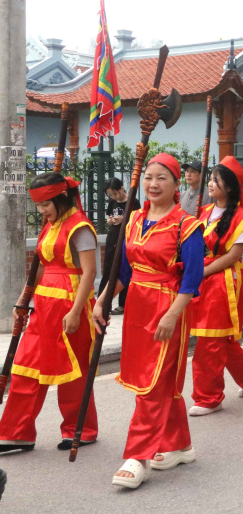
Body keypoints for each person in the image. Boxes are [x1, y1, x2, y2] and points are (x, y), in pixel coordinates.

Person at [92, 153, 204, 489]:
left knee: (152, 383)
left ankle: (137, 456)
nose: (153, 184)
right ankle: (180, 445)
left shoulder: (187, 225)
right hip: (137, 307)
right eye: (149, 177)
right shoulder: (134, 219)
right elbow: (124, 271)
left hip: (167, 307)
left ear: (176, 184)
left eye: (162, 178)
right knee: (154, 378)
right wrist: (102, 300)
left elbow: (192, 279)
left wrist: (173, 314)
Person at [0, 173, 98, 453]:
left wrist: (76, 311)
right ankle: (15, 433)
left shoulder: (80, 227)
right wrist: (24, 299)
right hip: (43, 307)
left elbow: (90, 272)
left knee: (73, 371)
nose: (41, 211)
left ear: (61, 198)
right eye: (38, 205)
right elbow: (41, 266)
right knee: (26, 366)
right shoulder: (50, 226)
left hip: (71, 305)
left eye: (45, 204)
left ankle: (81, 430)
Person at [188, 158, 243, 416]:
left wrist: (200, 273)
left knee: (209, 340)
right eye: (210, 179)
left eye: (215, 180)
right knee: (219, 337)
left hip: (222, 280)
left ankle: (209, 397)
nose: (209, 184)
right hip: (200, 276)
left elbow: (233, 256)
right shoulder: (204, 211)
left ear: (229, 187)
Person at [99, 177, 135, 315]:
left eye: (115, 193)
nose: (113, 197)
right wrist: (110, 221)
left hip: (126, 239)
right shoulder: (112, 202)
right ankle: (102, 303)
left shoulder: (133, 202)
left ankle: (122, 304)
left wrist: (124, 220)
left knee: (124, 271)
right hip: (113, 238)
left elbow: (136, 220)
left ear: (121, 188)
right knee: (108, 271)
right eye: (110, 195)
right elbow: (108, 218)